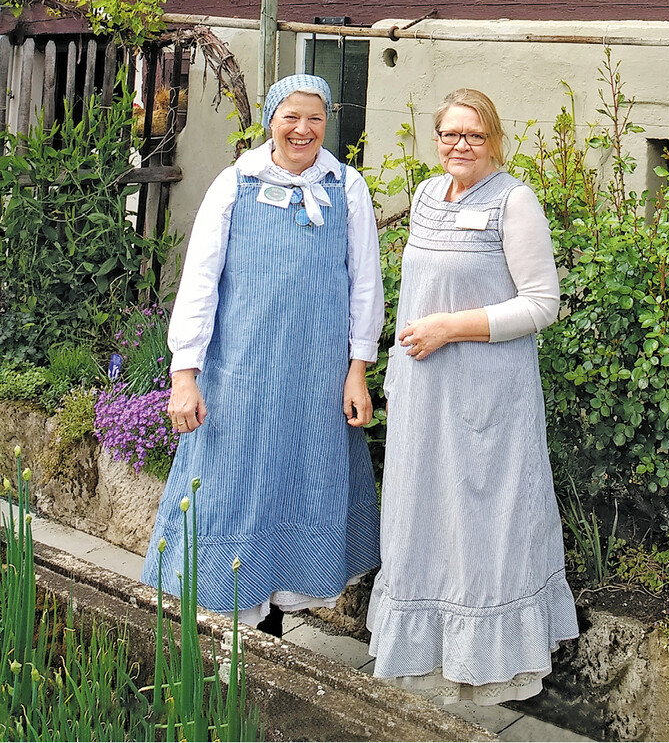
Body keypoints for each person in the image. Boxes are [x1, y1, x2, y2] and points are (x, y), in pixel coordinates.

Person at [141, 74, 384, 637]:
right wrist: (185, 375)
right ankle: (225, 626)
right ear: (270, 120)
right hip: (243, 376)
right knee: (233, 484)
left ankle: (272, 627)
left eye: (316, 119)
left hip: (316, 381)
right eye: (291, 117)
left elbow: (364, 287)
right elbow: (199, 284)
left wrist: (357, 372)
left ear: (328, 123)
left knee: (299, 480)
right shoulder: (235, 185)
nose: (303, 130)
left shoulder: (346, 189)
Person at [366, 88, 578, 704]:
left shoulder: (515, 202)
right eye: (450, 134)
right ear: (436, 140)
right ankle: (427, 658)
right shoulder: (429, 195)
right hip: (425, 393)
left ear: (495, 140)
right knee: (424, 516)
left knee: (485, 522)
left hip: (489, 400)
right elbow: (415, 296)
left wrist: (448, 328)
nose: (460, 145)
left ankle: (487, 664)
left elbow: (542, 305)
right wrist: (400, 374)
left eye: (474, 135)